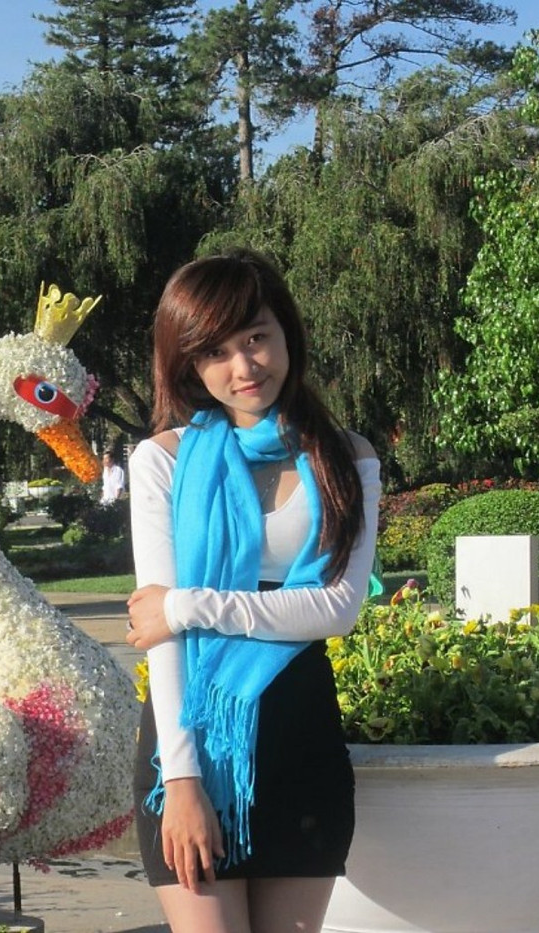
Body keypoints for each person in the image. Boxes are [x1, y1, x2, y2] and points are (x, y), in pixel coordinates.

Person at [125, 247, 381, 933]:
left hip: (301, 737)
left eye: (256, 338)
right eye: (215, 351)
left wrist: (186, 606)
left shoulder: (348, 457)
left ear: (286, 333)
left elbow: (336, 608)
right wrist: (181, 782)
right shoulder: (162, 461)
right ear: (189, 363)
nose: (243, 367)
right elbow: (164, 644)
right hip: (191, 743)